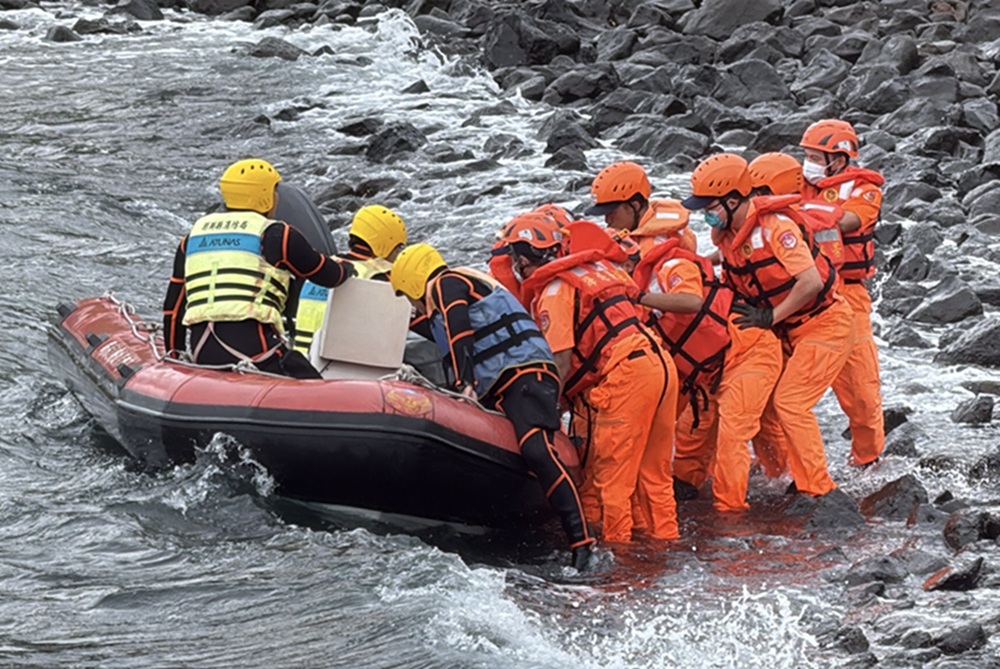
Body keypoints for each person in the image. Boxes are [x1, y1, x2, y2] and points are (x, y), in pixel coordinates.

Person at [390, 243, 596, 569]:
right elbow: (439, 329)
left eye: (407, 296)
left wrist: (465, 382)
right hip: (505, 385)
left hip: (524, 375)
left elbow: (460, 331)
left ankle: (582, 542)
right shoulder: (452, 295)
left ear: (413, 281)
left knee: (536, 449)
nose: (413, 305)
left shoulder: (447, 283)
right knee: (521, 452)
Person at [681, 153, 856, 501]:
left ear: (733, 200)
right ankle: (779, 475)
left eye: (710, 206)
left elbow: (810, 282)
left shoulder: (778, 228)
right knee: (766, 409)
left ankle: (818, 489)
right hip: (787, 330)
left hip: (825, 323)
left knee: (791, 401)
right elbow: (732, 262)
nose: (706, 214)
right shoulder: (728, 233)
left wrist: (770, 316)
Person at [505, 217, 680, 544]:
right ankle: (665, 544)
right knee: (654, 475)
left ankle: (620, 555)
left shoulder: (554, 290)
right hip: (659, 362)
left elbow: (561, 360)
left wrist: (547, 408)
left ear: (523, 258)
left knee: (612, 482)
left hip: (626, 375)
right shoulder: (596, 271)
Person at [162, 159, 356, 378]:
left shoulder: (191, 239)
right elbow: (329, 276)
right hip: (258, 350)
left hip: (202, 350)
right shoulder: (277, 235)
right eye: (275, 191)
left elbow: (173, 309)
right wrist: (347, 266)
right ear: (266, 196)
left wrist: (175, 356)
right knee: (317, 387)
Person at [799, 120, 886, 468]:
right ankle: (787, 465)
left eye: (813, 157)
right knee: (786, 392)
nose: (807, 164)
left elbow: (849, 221)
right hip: (802, 293)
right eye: (806, 156)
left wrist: (803, 215)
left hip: (848, 294)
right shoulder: (796, 184)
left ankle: (867, 461)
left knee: (862, 391)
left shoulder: (865, 190)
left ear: (838, 159)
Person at [293, 205, 406, 353]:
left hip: (301, 358)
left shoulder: (322, 266)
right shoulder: (379, 277)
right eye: (398, 248)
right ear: (386, 244)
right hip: (340, 363)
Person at [584, 160, 697, 254]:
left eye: (611, 212)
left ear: (635, 206)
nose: (607, 220)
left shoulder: (654, 249)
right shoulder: (647, 219)